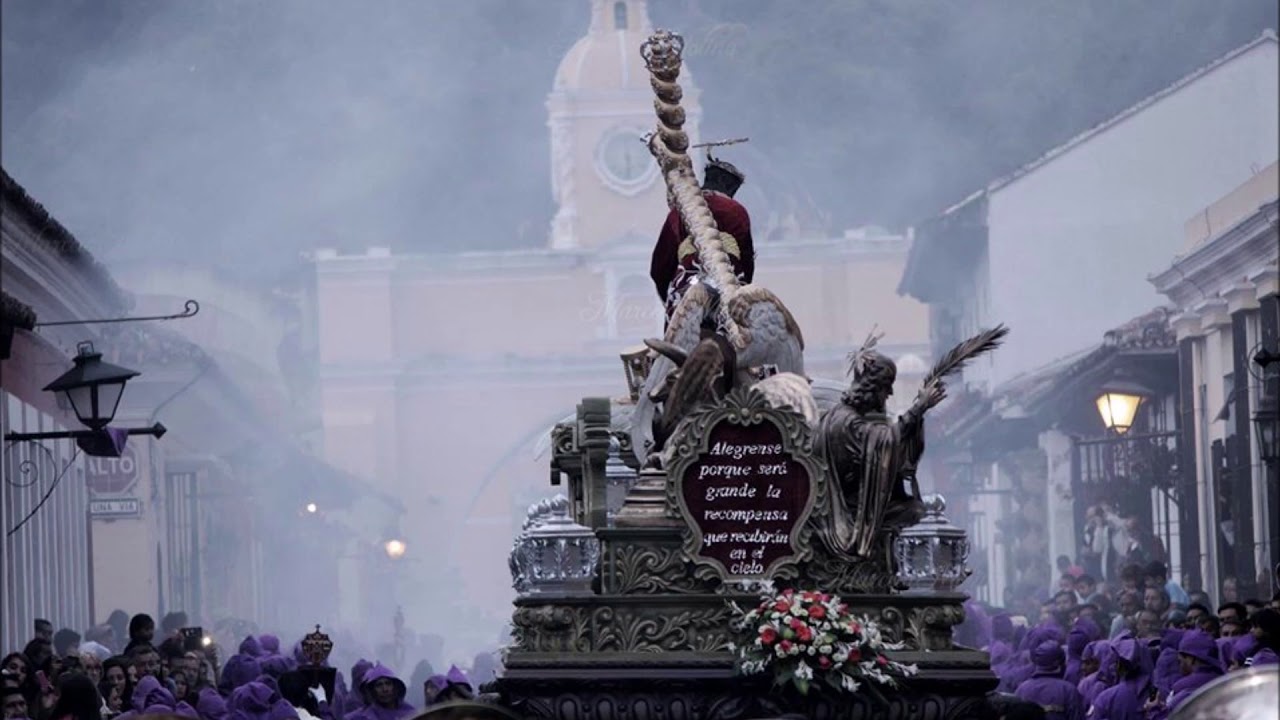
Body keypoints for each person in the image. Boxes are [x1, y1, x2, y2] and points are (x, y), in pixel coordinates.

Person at [649, 154, 754, 324]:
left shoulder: (679, 211)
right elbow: (747, 261)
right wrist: (743, 285)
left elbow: (660, 266)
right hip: (729, 283)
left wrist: (669, 299)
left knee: (674, 341)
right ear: (728, 186)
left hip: (686, 282)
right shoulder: (737, 211)